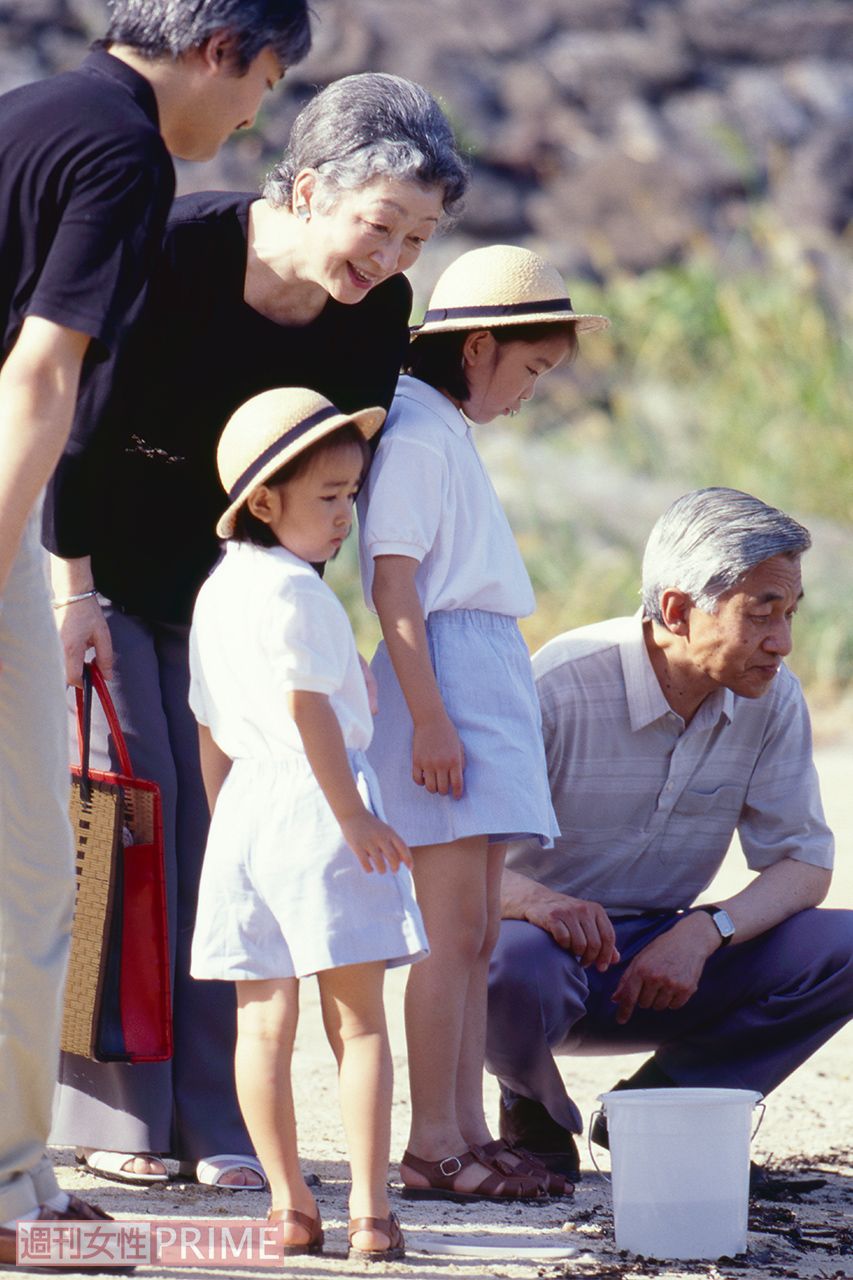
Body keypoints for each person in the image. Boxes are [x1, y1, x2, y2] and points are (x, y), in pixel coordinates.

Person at [43, 71, 466, 1192]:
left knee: (234, 847)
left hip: (242, 594)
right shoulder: (169, 249)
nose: (389, 258)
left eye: (416, 237)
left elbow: (340, 478)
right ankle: (116, 1119)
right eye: (381, 224)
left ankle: (218, 1116)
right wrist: (68, 592)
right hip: (105, 568)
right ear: (313, 185)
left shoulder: (373, 311)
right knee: (137, 829)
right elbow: (72, 427)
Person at [0, 0, 311, 1259]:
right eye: (263, 87)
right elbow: (38, 374)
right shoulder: (124, 148)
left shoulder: (26, 111)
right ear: (223, 51)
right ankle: (15, 1182)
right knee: (26, 873)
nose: (250, 120)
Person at [487, 487, 853, 1193]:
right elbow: (449, 860)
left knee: (846, 948)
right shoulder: (558, 686)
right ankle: (531, 1110)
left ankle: (659, 1110)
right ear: (679, 611)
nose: (781, 641)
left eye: (789, 613)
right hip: (538, 956)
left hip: (664, 953)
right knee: (505, 961)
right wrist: (541, 904)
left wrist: (705, 932)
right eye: (760, 612)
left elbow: (803, 861)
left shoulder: (771, 695)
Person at [358, 244, 610, 1202]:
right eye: (531, 370)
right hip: (449, 672)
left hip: (481, 667)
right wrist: (427, 717)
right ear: (480, 349)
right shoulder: (419, 431)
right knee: (447, 929)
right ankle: (433, 1143)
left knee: (469, 934)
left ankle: (462, 1129)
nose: (531, 392)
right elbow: (395, 582)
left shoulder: (442, 427)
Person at [189, 387, 428, 1260]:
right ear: (263, 502)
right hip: (317, 803)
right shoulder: (298, 594)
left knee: (261, 1022)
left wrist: (229, 832)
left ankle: (290, 1207)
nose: (344, 516)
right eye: (328, 497)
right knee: (359, 1020)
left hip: (248, 812)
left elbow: (211, 731)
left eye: (352, 496)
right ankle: (370, 1212)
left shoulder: (217, 595)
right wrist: (355, 816)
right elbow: (310, 713)